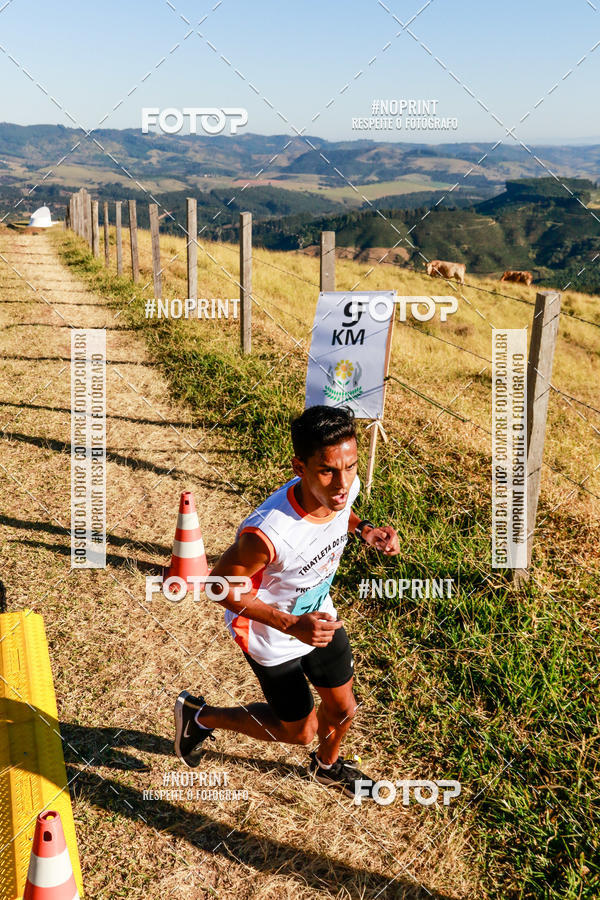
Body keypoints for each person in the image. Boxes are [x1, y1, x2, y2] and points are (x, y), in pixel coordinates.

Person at [174, 405, 400, 797]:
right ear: (300, 467)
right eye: (327, 470)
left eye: (350, 466)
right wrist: (291, 625)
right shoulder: (267, 534)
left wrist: (364, 529)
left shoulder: (345, 487)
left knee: (344, 708)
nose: (341, 483)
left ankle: (328, 767)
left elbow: (341, 508)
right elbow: (217, 587)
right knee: (300, 731)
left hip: (319, 616)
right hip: (269, 631)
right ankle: (200, 715)